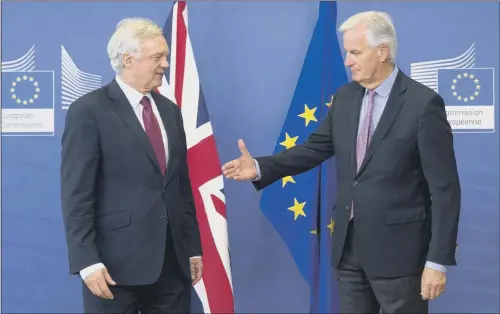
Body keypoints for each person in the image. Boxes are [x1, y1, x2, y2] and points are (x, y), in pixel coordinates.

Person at [222, 11, 461, 314]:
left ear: (383, 51)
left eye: (355, 52)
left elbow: (445, 190)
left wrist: (437, 261)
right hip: (349, 253)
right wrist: (260, 167)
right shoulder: (345, 97)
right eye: (347, 52)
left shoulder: (423, 104)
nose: (347, 60)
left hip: (402, 257)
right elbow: (313, 149)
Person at [60, 17, 202, 313]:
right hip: (113, 269)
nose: (165, 63)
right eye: (157, 57)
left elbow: (180, 186)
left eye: (165, 56)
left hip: (172, 265)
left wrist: (192, 249)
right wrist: (86, 261)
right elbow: (77, 194)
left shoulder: (170, 111)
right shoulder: (88, 111)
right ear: (128, 59)